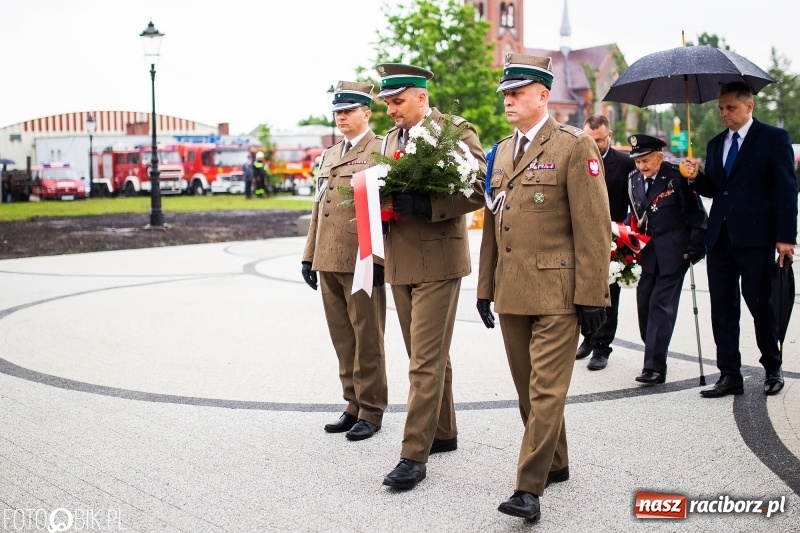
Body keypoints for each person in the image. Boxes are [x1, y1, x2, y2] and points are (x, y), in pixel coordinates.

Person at [476, 53, 611, 522]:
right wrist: (483, 287)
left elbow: (594, 229)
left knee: (547, 390)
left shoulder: (574, 146)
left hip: (557, 292)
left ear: (542, 95)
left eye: (518, 93)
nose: (509, 101)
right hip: (512, 290)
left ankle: (528, 489)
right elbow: (495, 222)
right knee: (526, 393)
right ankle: (557, 462)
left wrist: (594, 296)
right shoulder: (501, 150)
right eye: (506, 94)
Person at [374, 63, 486, 490]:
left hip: (439, 260)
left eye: (398, 101)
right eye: (386, 103)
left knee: (424, 360)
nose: (391, 110)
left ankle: (413, 455)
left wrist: (429, 204)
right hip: (399, 259)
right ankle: (444, 431)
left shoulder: (455, 130)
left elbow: (479, 186)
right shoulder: (389, 139)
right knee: (429, 353)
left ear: (422, 97)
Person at [682, 81, 798, 397]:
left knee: (761, 304)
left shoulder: (774, 139)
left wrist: (786, 236)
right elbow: (715, 188)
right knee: (722, 307)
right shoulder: (716, 143)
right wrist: (695, 178)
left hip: (757, 238)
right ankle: (729, 374)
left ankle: (772, 368)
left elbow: (786, 189)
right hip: (720, 238)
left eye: (730, 107)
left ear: (749, 106)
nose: (724, 113)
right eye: (721, 107)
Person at [301, 81, 388, 441]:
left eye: (348, 110)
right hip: (328, 259)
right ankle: (352, 403)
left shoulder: (381, 150)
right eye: (338, 111)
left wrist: (381, 258)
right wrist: (309, 256)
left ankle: (371, 409)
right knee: (342, 337)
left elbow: (386, 210)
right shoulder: (330, 154)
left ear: (367, 112)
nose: (341, 116)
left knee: (367, 336)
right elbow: (318, 209)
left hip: (362, 260)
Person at [626, 134, 707, 386]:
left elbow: (695, 214)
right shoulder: (633, 180)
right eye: (638, 161)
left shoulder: (676, 177)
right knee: (644, 307)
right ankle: (653, 348)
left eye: (646, 160)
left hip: (674, 253)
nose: (642, 166)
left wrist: (695, 247)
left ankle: (654, 367)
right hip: (647, 254)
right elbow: (635, 215)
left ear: (660, 157)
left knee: (660, 307)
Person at [577, 115, 636, 370]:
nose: (595, 143)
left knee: (609, 294)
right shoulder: (576, 158)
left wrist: (625, 233)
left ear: (609, 136)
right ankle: (588, 338)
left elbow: (634, 200)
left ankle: (602, 347)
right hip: (581, 236)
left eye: (599, 139)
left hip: (613, 235)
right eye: (590, 138)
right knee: (582, 290)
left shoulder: (624, 163)